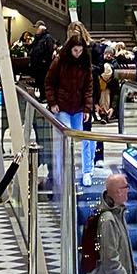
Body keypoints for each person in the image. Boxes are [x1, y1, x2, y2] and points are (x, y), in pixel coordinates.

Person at [46, 29, 98, 186]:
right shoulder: (59, 62)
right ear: (70, 49)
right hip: (62, 106)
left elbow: (88, 87)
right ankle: (62, 173)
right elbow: (49, 82)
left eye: (81, 51)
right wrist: (52, 102)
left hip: (78, 106)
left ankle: (87, 171)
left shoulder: (85, 64)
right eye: (76, 50)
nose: (78, 53)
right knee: (64, 139)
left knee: (83, 140)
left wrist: (87, 108)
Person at [27, 21, 55, 90]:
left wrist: (44, 61)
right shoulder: (38, 38)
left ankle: (43, 97)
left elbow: (49, 50)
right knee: (39, 81)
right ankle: (41, 96)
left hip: (43, 65)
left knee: (43, 81)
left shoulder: (47, 38)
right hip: (37, 64)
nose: (36, 30)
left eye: (37, 28)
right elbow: (34, 47)